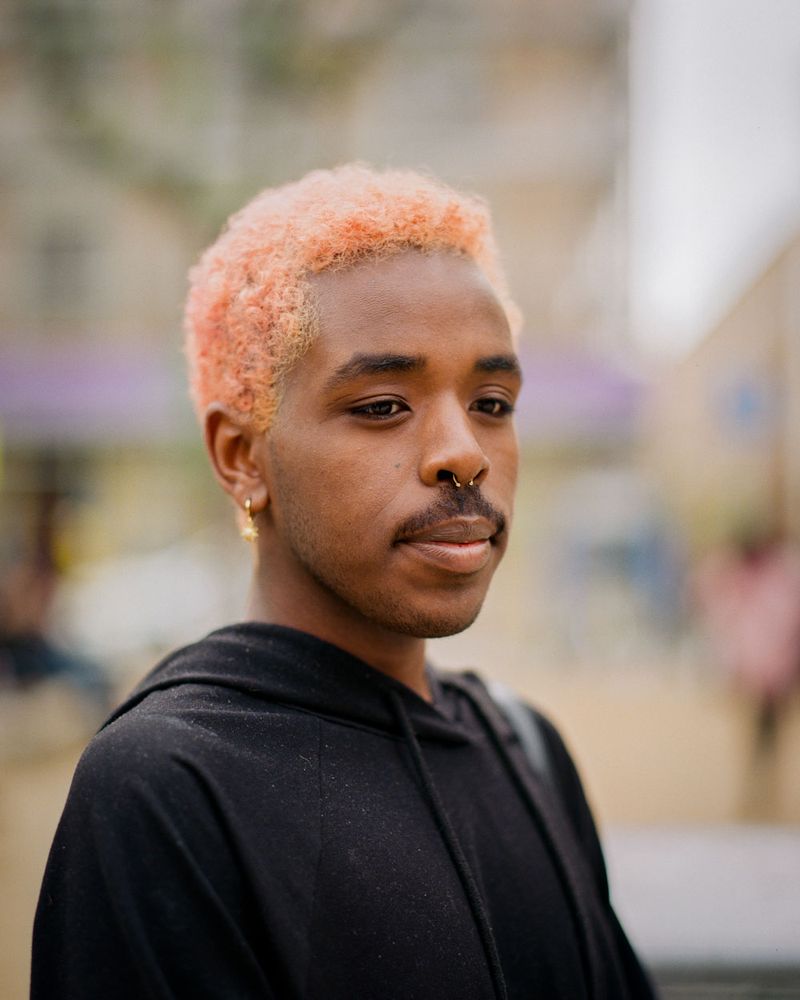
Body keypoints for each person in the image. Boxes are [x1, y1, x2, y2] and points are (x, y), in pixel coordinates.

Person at [32, 164, 654, 999]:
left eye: (493, 403)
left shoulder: (527, 746)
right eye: (383, 405)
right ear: (241, 457)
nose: (463, 453)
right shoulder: (168, 788)